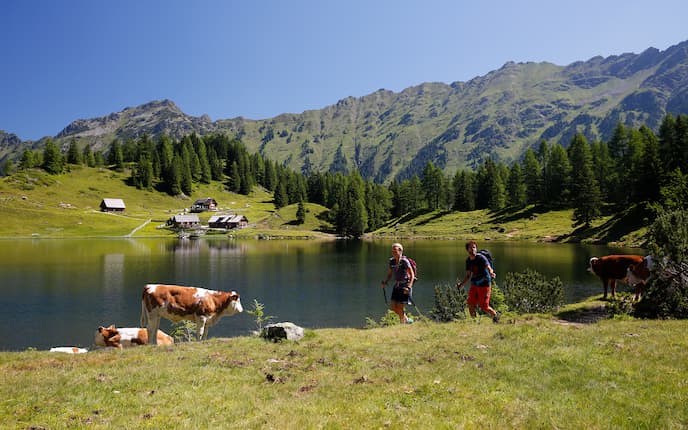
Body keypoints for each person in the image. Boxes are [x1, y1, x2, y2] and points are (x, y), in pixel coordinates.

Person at [456, 240, 500, 323]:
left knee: (484, 306)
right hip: (474, 284)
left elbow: (488, 266)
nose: (473, 249)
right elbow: (468, 275)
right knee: (470, 304)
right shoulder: (468, 261)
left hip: (484, 284)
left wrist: (491, 272)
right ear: (467, 250)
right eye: (470, 247)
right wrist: (461, 285)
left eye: (474, 247)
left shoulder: (481, 258)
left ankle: (496, 316)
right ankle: (475, 322)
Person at [380, 242, 415, 324]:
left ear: (400, 251)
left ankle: (402, 324)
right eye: (392, 251)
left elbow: (412, 275)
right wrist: (385, 282)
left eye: (395, 251)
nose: (393, 252)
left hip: (405, 286)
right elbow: (389, 274)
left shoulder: (404, 261)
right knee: (393, 307)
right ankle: (407, 320)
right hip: (397, 286)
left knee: (400, 307)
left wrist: (409, 287)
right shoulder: (391, 261)